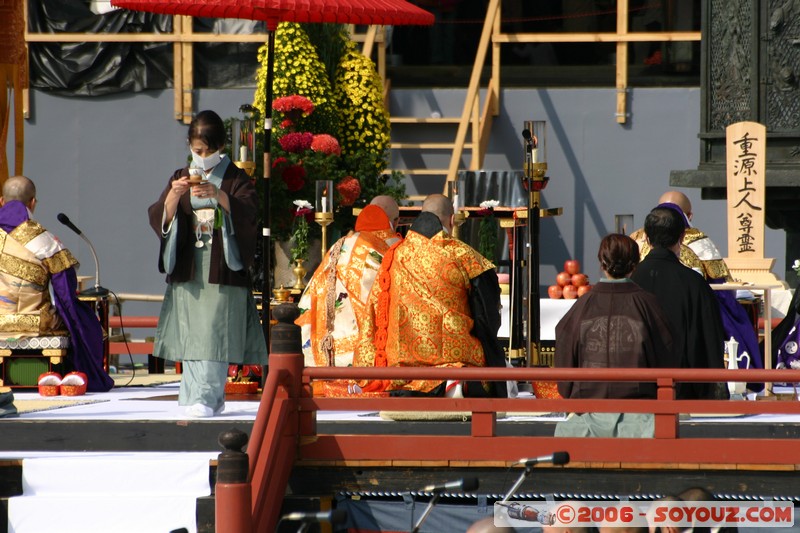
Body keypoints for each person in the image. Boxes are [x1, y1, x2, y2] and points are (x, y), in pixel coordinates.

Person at [148, 110, 266, 418]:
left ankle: (207, 396)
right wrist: (173, 197)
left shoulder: (235, 178)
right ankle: (191, 395)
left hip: (222, 264)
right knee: (192, 332)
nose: (202, 157)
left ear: (221, 147)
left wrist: (220, 195)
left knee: (215, 332)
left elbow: (249, 212)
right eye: (197, 151)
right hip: (190, 264)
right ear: (189, 144)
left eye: (209, 151)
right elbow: (160, 214)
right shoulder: (180, 176)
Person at [354, 193, 507, 397]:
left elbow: (374, 312)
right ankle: (453, 384)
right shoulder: (464, 255)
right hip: (454, 363)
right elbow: (488, 316)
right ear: (452, 221)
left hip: (400, 372)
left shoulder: (392, 256)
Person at [631, 191, 764, 388]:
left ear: (649, 239)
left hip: (639, 379)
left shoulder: (634, 260)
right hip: (686, 377)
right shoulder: (699, 247)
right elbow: (721, 288)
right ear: (683, 232)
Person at [554, 234, 676, 438]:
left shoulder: (581, 307)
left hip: (587, 417)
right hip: (640, 421)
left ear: (602, 263)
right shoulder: (648, 305)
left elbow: (565, 359)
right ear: (635, 264)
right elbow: (668, 357)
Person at [0, 176, 112, 392]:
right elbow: (65, 293)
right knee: (87, 322)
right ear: (33, 202)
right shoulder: (46, 241)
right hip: (32, 321)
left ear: (2, 201)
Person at [295, 195, 402, 396]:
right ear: (394, 222)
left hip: (322, 361)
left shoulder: (338, 246)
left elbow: (308, 299)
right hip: (363, 364)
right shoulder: (394, 248)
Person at [630, 203, 727, 400]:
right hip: (683, 390)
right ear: (682, 238)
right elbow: (710, 338)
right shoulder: (694, 283)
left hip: (636, 389)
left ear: (647, 239)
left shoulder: (631, 281)